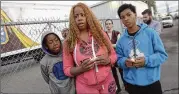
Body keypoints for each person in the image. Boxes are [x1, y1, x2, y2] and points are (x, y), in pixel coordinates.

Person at [63, 3, 117, 94]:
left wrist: (108, 60)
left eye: (82, 15)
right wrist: (81, 69)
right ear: (73, 20)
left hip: (107, 82)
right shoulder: (69, 42)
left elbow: (113, 55)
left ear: (88, 16)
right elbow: (67, 69)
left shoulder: (100, 34)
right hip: (85, 87)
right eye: (76, 16)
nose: (79, 18)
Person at [116, 4, 168, 94]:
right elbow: (119, 60)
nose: (126, 19)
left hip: (152, 84)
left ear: (135, 15)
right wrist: (125, 62)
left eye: (129, 15)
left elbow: (162, 55)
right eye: (122, 17)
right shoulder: (121, 41)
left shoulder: (150, 33)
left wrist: (146, 61)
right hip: (132, 85)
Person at [105, 19, 125, 93]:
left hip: (118, 56)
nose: (108, 25)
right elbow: (103, 46)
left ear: (112, 25)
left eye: (110, 24)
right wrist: (113, 45)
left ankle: (126, 86)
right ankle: (118, 88)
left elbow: (118, 45)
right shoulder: (104, 34)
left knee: (122, 72)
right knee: (113, 74)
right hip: (109, 57)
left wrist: (109, 45)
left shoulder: (117, 33)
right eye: (107, 24)